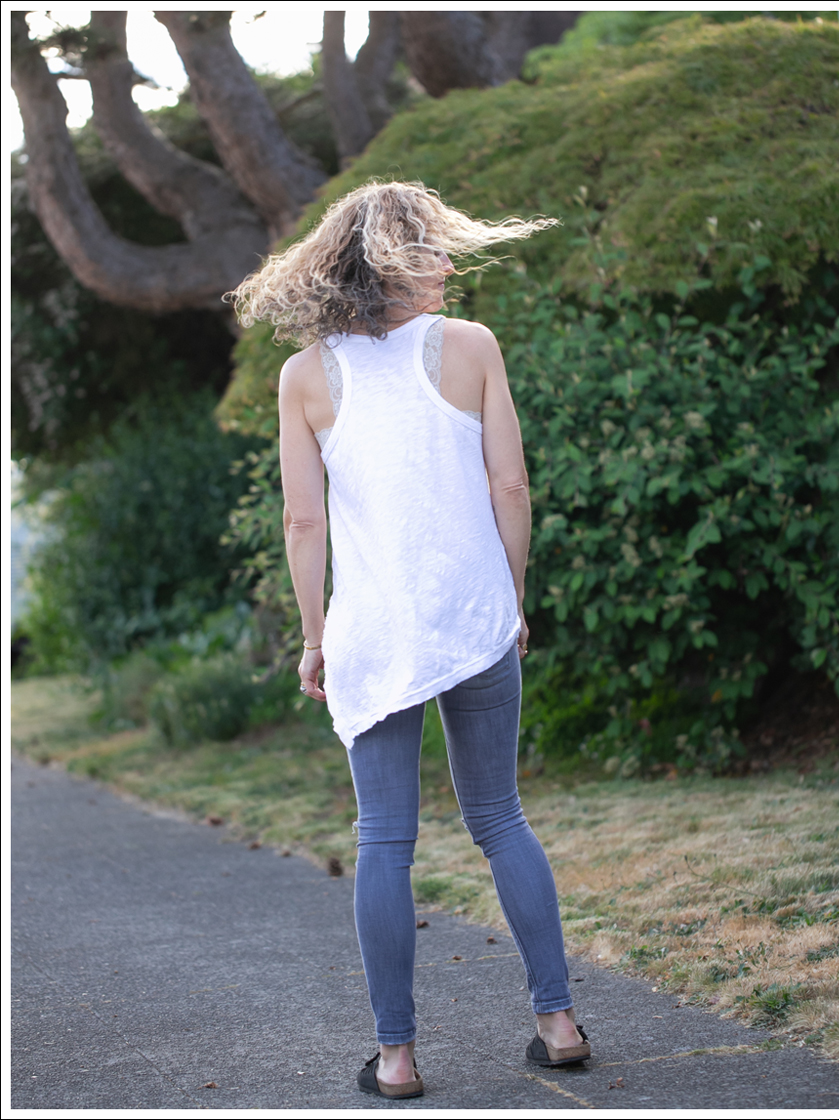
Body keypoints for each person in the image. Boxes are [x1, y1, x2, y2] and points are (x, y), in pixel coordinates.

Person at [229, 181, 590, 1099]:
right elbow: (511, 488)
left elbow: (302, 523)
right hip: (472, 617)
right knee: (499, 816)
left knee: (385, 840)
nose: (449, 262)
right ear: (404, 255)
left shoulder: (305, 376)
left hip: (375, 634)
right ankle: (558, 1023)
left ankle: (396, 1058)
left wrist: (314, 637)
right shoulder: (471, 347)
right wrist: (510, 598)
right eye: (434, 245)